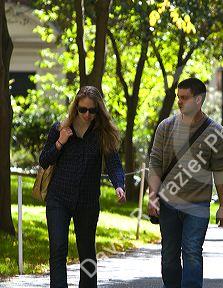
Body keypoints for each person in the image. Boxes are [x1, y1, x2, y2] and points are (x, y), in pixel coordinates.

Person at [40, 86, 126, 288]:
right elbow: (44, 160)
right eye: (82, 109)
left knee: (87, 252)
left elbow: (114, 163)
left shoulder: (102, 133)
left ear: (99, 110)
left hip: (87, 201)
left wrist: (119, 185)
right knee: (58, 248)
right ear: (75, 107)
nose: (87, 114)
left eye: (92, 110)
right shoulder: (59, 128)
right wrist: (60, 142)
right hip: (58, 198)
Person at [148, 77, 223, 288]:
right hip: (168, 203)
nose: (180, 102)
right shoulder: (165, 127)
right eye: (178, 97)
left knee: (192, 252)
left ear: (199, 100)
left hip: (198, 204)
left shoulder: (215, 131)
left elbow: (220, 171)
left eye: (185, 98)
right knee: (169, 258)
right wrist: (152, 198)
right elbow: (155, 164)